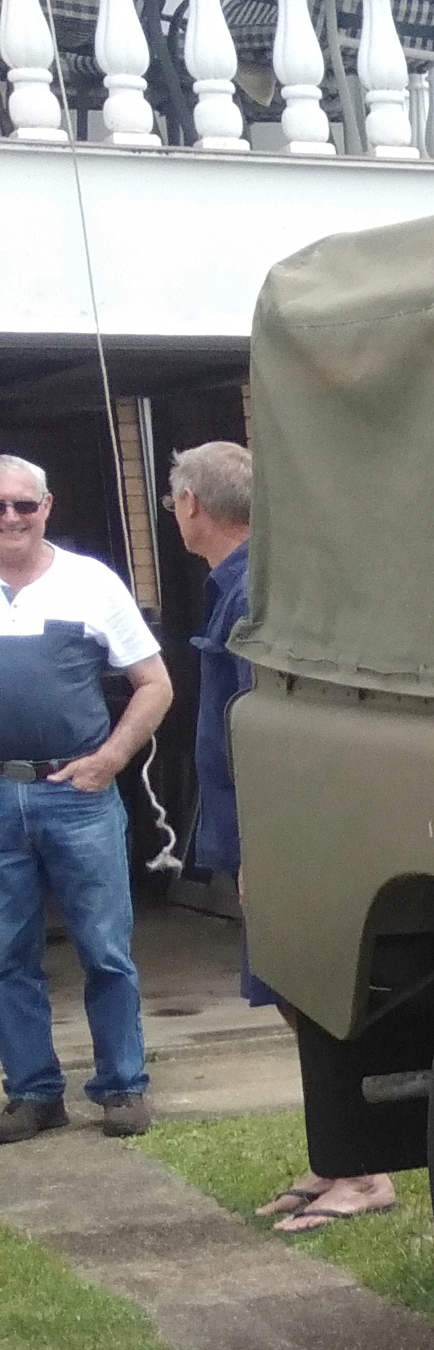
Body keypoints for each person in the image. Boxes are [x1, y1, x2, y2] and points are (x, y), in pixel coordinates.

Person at [163, 441, 394, 1233]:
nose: (173, 512)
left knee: (309, 990)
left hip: (283, 835)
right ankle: (339, 1156)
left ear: (192, 505)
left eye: (173, 499)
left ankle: (362, 1171)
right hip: (260, 831)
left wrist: (263, 850)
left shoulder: (257, 591)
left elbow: (271, 733)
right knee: (290, 995)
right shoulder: (241, 584)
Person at [0, 452, 166, 1143]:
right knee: (7, 956)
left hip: (79, 794)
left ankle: (122, 1087)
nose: (10, 518)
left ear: (48, 508)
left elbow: (154, 683)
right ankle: (34, 1094)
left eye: (22, 505)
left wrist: (112, 759)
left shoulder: (91, 584)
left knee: (105, 949)